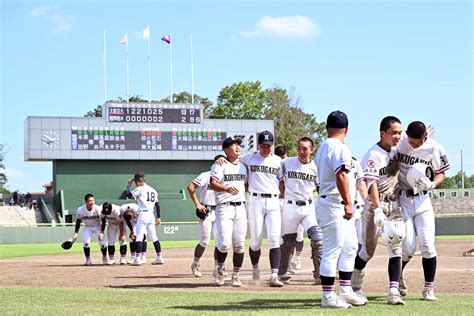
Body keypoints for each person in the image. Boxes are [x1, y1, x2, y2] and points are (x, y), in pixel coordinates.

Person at [351, 116, 405, 305]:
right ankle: (355, 287)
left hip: (394, 204)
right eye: (394, 132)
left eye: (400, 132)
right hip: (376, 205)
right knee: (367, 251)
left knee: (396, 246)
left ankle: (393, 291)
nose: (398, 136)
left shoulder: (399, 149)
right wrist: (377, 210)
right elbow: (372, 184)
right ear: (383, 133)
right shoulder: (373, 154)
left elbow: (416, 145)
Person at [314, 110, 366, 308]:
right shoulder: (339, 147)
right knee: (332, 250)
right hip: (335, 204)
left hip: (333, 203)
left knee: (350, 246)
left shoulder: (323, 147)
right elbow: (341, 175)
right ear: (346, 129)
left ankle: (345, 290)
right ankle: (328, 296)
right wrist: (348, 202)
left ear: (327, 128)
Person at [394, 121, 450, 301]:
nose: (413, 145)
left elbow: (442, 172)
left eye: (417, 142)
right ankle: (398, 275)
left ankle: (428, 288)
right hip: (402, 198)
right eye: (411, 141)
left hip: (423, 199)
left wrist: (433, 183)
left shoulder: (435, 148)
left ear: (425, 137)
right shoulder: (401, 141)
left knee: (427, 244)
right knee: (408, 247)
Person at [239, 130, 284, 287]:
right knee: (256, 240)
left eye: (269, 145)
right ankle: (255, 268)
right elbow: (233, 160)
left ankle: (274, 274)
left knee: (274, 238)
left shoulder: (279, 161)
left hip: (273, 201)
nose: (266, 149)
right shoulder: (249, 158)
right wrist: (221, 160)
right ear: (259, 145)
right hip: (255, 199)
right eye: (264, 146)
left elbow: (282, 182)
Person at [277, 137, 322, 285]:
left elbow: (320, 188)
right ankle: (283, 273)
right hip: (291, 206)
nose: (301, 151)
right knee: (289, 242)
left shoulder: (316, 167)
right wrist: (285, 196)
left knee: (317, 239)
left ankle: (320, 274)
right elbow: (280, 181)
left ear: (311, 150)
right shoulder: (286, 162)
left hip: (308, 207)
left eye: (305, 149)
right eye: (299, 148)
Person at [210, 136, 248, 287]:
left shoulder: (243, 166)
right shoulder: (220, 165)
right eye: (233, 145)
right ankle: (219, 269)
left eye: (239, 144)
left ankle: (236, 275)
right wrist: (225, 188)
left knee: (239, 244)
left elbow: (246, 184)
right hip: (224, 207)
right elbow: (213, 184)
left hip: (241, 207)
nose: (237, 147)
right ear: (226, 150)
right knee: (224, 244)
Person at [187, 154, 226, 277]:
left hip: (220, 210)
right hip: (207, 211)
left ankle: (218, 267)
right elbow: (190, 187)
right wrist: (197, 204)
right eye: (220, 162)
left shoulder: (226, 175)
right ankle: (195, 264)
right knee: (204, 241)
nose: (222, 164)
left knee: (220, 242)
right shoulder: (205, 175)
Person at [275, 145, 305, 274]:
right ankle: (287, 260)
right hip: (278, 200)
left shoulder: (290, 163)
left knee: (297, 233)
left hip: (292, 201)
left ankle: (296, 259)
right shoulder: (275, 163)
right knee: (284, 233)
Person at [124, 172, 164, 266]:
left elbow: (127, 194)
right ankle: (160, 257)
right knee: (154, 237)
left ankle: (137, 259)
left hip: (143, 214)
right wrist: (158, 217)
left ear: (137, 182)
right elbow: (157, 204)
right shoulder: (153, 190)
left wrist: (129, 185)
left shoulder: (140, 189)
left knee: (139, 236)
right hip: (151, 214)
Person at [71, 193, 108, 265]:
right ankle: (88, 259)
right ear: (86, 202)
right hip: (87, 227)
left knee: (102, 244)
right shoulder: (80, 209)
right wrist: (75, 233)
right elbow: (78, 222)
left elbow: (103, 220)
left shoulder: (98, 208)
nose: (92, 202)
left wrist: (102, 232)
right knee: (86, 243)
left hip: (97, 227)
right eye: (90, 201)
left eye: (93, 200)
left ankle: (104, 257)